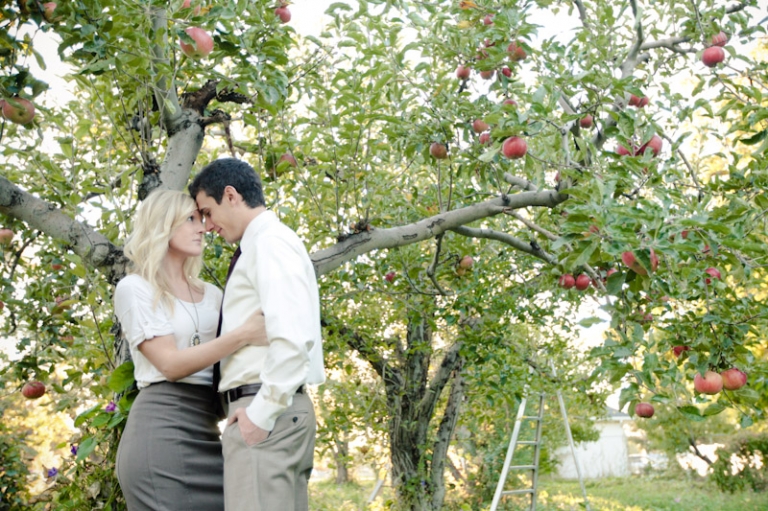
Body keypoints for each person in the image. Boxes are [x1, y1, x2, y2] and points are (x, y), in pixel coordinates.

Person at [113, 189, 268, 511]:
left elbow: (231, 364)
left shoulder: (211, 294)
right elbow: (169, 364)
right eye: (190, 219)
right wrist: (244, 334)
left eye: (203, 218)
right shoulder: (136, 288)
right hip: (161, 430)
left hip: (210, 427)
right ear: (161, 225)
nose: (203, 228)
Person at [189, 158, 325, 511]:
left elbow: (293, 337)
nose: (207, 225)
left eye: (207, 211)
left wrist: (259, 415)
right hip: (274, 412)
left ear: (231, 195)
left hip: (266, 411)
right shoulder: (264, 245)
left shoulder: (269, 244)